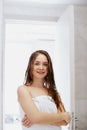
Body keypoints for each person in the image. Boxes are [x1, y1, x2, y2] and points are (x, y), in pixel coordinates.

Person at [17, 50, 71, 130]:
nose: (41, 67)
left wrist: (39, 119)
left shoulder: (54, 93)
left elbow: (65, 121)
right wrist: (63, 115)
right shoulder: (23, 90)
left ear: (48, 68)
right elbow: (36, 118)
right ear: (31, 66)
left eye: (45, 64)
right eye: (37, 63)